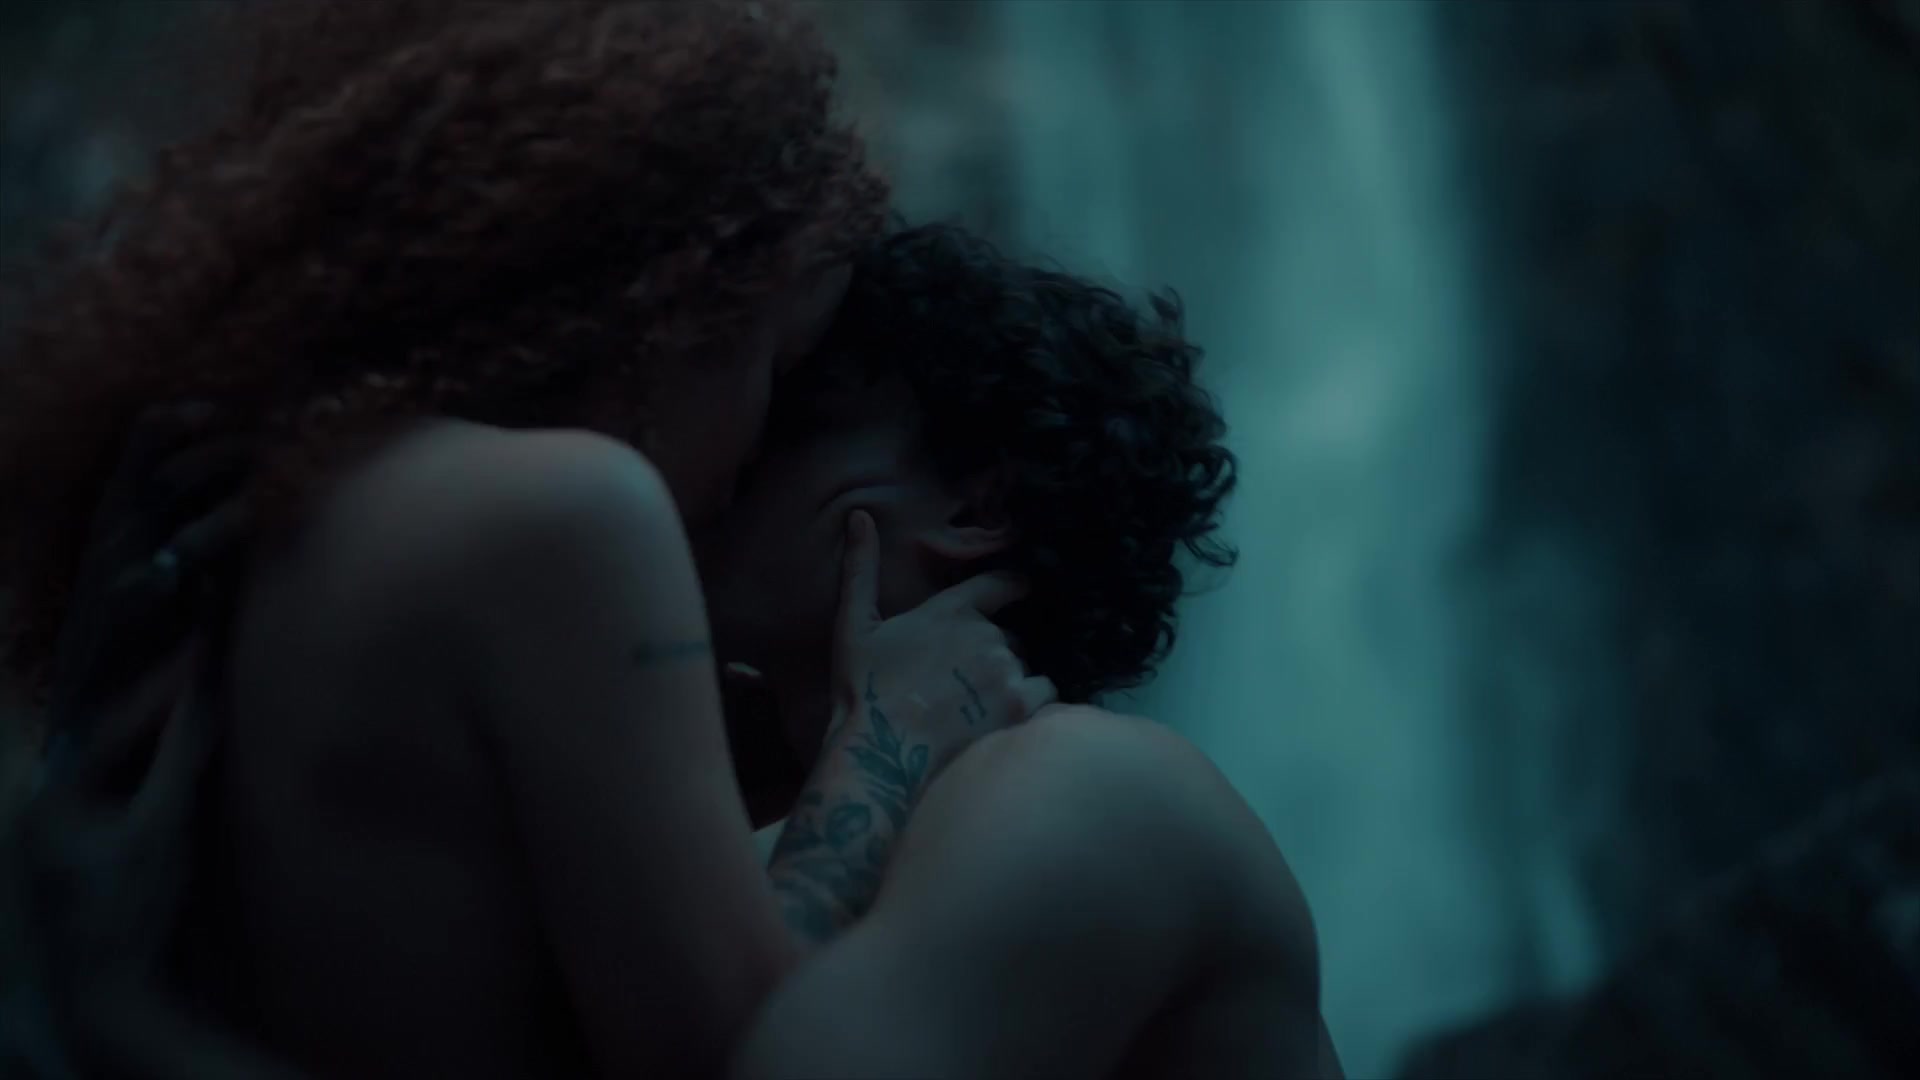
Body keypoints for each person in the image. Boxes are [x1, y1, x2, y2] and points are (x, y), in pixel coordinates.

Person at [0, 3, 1052, 1076]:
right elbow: (741, 1055)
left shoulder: (282, 478)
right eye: (776, 367)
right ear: (675, 300)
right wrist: (885, 745)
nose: (760, 443)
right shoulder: (564, 512)